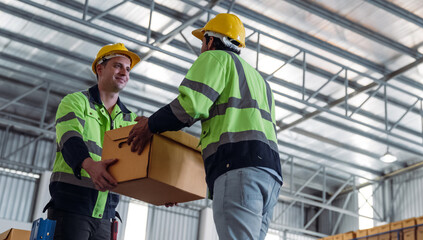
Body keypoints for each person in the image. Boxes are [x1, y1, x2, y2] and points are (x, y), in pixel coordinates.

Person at [127, 13, 282, 240]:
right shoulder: (260, 81)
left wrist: (150, 125)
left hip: (238, 169)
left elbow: (189, 107)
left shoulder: (215, 59)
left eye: (202, 41)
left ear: (210, 40)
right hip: (270, 176)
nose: (202, 47)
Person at [46, 43, 140, 239]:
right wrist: (89, 165)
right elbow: (69, 138)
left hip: (107, 215)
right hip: (71, 207)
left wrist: (161, 193)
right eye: (117, 66)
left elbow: (137, 165)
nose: (124, 72)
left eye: (128, 69)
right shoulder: (75, 101)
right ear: (100, 68)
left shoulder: (130, 119)